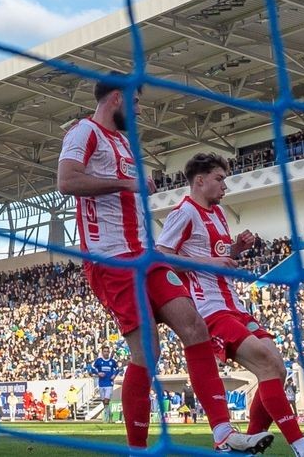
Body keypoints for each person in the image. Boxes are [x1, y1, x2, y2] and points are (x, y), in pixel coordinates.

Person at [57, 73, 272, 453]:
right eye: (136, 101)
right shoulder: (83, 133)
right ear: (117, 98)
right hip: (110, 260)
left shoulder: (123, 143)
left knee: (195, 327)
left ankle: (223, 434)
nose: (140, 109)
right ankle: (137, 449)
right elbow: (67, 180)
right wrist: (128, 184)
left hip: (146, 256)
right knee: (148, 353)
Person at [156, 151, 304, 457]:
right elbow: (160, 258)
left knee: (277, 368)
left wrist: (235, 249)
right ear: (199, 181)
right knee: (266, 363)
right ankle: (303, 448)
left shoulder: (217, 213)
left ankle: (249, 444)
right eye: (219, 179)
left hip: (235, 305)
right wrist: (212, 260)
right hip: (209, 309)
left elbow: (214, 257)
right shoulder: (183, 213)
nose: (225, 186)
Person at [91, 345, 120, 423]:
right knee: (104, 401)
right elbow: (92, 368)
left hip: (109, 383)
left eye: (107, 351)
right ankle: (110, 414)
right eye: (105, 351)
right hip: (101, 383)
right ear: (102, 352)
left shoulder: (112, 361)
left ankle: (106, 418)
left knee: (107, 400)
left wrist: (114, 375)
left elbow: (117, 369)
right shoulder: (99, 361)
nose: (106, 353)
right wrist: (98, 373)